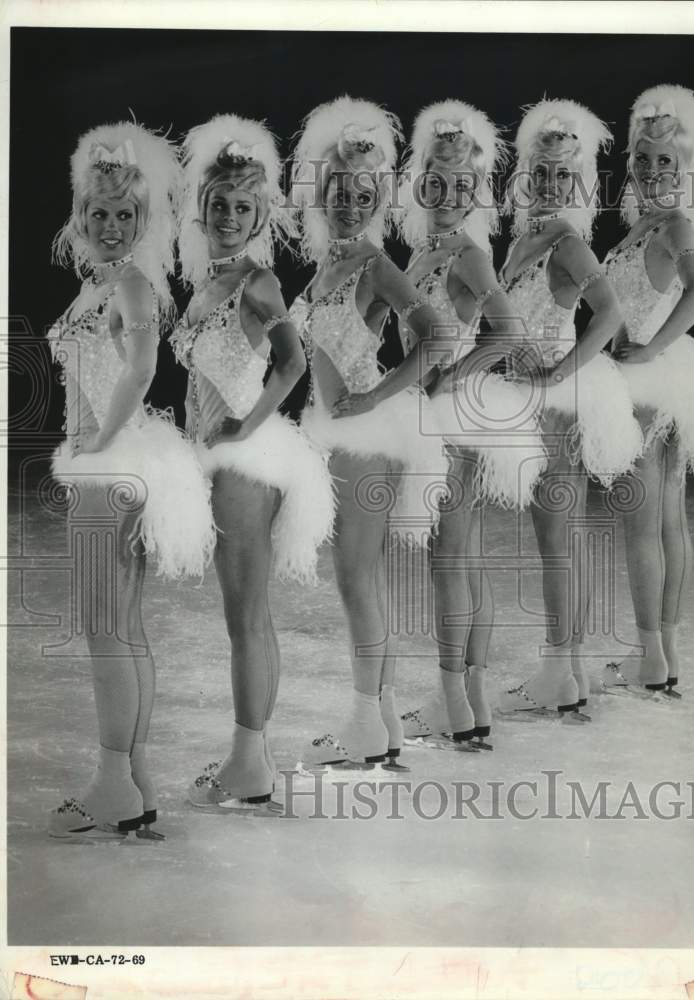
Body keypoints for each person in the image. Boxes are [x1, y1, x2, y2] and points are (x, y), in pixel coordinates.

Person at [47, 121, 216, 841]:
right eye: (100, 213)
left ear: (144, 220)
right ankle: (135, 782)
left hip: (110, 469)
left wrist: (97, 444)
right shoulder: (99, 283)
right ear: (81, 215)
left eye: (125, 214)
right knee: (124, 626)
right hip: (118, 465)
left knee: (103, 628)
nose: (111, 226)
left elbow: (144, 369)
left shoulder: (132, 282)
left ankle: (113, 783)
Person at [172, 115, 336, 814]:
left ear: (260, 216)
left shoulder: (259, 281)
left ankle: (249, 766)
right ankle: (252, 760)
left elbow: (293, 363)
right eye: (220, 205)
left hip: (245, 462)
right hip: (218, 458)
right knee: (247, 615)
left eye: (243, 208)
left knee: (245, 617)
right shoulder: (207, 282)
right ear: (202, 208)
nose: (230, 217)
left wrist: (247, 424)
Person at [289, 95, 455, 770]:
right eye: (340, 193)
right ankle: (382, 718)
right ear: (321, 194)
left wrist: (378, 395)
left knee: (357, 578)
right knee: (363, 579)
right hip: (335, 434)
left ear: (379, 200)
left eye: (364, 196)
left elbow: (437, 336)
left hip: (364, 440)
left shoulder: (373, 265)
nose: (351, 206)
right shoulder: (327, 264)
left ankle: (364, 722)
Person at [395, 100, 546, 750]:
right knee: (464, 558)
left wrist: (453, 375)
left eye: (461, 186)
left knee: (449, 561)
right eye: (436, 182)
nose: (447, 195)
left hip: (452, 418)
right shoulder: (426, 249)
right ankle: (472, 700)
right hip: (444, 413)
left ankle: (452, 700)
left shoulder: (468, 253)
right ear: (420, 182)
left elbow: (510, 333)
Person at [497, 98, 643, 720]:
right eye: (542, 172)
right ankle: (571, 669)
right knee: (558, 537)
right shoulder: (525, 238)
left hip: (554, 403)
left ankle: (562, 670)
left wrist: (559, 370)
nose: (551, 183)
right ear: (526, 175)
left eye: (564, 175)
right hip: (528, 397)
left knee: (559, 539)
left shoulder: (567, 241)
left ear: (578, 182)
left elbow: (609, 314)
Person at [602, 85, 694, 697]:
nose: (652, 171)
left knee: (646, 525)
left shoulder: (674, 223)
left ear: (684, 169)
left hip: (650, 382)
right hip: (673, 380)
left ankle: (653, 656)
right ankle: (665, 652)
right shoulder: (648, 223)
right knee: (667, 520)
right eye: (643, 159)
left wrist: (651, 347)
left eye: (665, 161)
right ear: (631, 162)